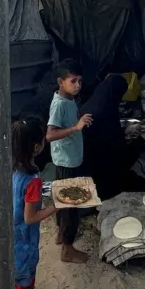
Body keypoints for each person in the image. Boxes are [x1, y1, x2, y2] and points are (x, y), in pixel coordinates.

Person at [4, 115, 57, 289]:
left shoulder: (11, 168)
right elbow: (30, 217)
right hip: (24, 241)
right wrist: (57, 206)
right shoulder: (33, 180)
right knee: (22, 283)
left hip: (10, 233)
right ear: (37, 146)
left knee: (14, 277)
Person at [45, 59, 92, 263]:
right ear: (60, 82)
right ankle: (67, 249)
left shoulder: (69, 100)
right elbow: (50, 135)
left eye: (80, 81)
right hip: (66, 161)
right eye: (73, 81)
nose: (78, 85)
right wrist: (76, 127)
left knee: (62, 200)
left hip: (69, 157)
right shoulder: (59, 104)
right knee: (70, 206)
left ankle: (60, 235)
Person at [80, 74, 145, 201]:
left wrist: (123, 131)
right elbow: (120, 156)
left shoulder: (90, 107)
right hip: (98, 179)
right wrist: (141, 141)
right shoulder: (103, 117)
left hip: (83, 166)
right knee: (138, 183)